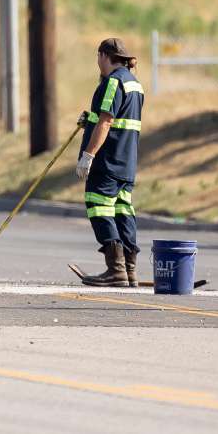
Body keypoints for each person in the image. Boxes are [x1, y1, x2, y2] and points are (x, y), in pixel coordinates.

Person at [75, 38, 144, 287]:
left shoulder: (113, 83)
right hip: (126, 162)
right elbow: (109, 118)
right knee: (123, 211)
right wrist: (89, 120)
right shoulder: (134, 84)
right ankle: (129, 271)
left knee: (98, 206)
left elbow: (107, 121)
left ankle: (115, 270)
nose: (97, 62)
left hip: (108, 160)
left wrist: (89, 155)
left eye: (98, 57)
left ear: (105, 56)